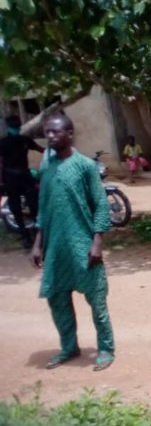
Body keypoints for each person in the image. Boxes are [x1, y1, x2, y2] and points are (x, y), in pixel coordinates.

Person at [31, 113, 115, 371]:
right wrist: (37, 243)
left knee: (96, 299)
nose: (50, 136)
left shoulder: (85, 166)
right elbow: (43, 207)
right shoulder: (47, 167)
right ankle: (69, 347)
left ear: (69, 134)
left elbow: (101, 205)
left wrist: (97, 242)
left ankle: (106, 348)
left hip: (83, 244)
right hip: (55, 247)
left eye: (55, 132)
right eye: (47, 132)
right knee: (57, 299)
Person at [0, 115, 44, 248]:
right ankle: (26, 236)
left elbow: (40, 149)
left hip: (22, 175)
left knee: (32, 205)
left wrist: (52, 153)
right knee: (18, 207)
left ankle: (36, 235)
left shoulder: (24, 140)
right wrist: (1, 181)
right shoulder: (3, 143)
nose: (16, 129)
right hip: (12, 177)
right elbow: (1, 163)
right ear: (9, 127)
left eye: (17, 127)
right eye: (14, 127)